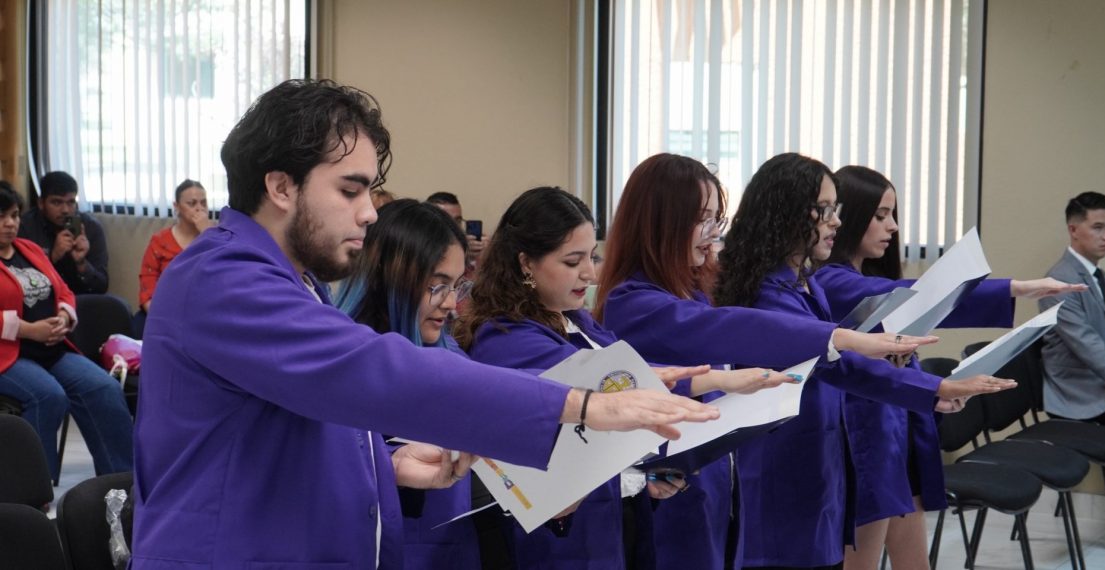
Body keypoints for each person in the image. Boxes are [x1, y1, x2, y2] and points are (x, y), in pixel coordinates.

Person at [131, 79, 717, 568]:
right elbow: (370, 370)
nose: (367, 211)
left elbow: (284, 431)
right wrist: (583, 405)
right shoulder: (222, 278)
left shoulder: (289, 280)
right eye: (350, 189)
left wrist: (383, 467)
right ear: (281, 186)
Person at [594, 153, 938, 570]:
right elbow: (729, 328)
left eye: (716, 219)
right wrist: (840, 338)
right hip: (674, 499)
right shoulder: (634, 303)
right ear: (663, 224)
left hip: (715, 489)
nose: (712, 233)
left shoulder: (696, 289)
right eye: (703, 219)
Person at [456, 186, 793, 569]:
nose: (590, 272)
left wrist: (641, 477)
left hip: (612, 524)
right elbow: (601, 395)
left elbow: (627, 383)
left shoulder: (578, 321)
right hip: (561, 542)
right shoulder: (505, 338)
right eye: (572, 261)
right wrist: (710, 383)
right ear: (525, 263)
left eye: (592, 256)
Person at [714, 152, 1016, 570]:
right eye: (824, 210)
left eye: (835, 209)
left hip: (821, 458)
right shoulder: (773, 293)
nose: (834, 220)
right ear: (786, 213)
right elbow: (840, 363)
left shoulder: (801, 285)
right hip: (788, 466)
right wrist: (935, 388)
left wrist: (933, 390)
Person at [818, 165, 1082, 569]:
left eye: (893, 215)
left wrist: (939, 392)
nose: (892, 227)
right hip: (865, 439)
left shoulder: (862, 275)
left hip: (896, 429)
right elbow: (912, 298)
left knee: (914, 561)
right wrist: (1016, 287)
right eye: (880, 215)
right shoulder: (832, 280)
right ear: (851, 216)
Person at [335, 199, 480, 569]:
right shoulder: (346, 366)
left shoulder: (447, 350)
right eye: (437, 286)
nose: (451, 303)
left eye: (457, 286)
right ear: (393, 279)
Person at [0, 183, 133, 481]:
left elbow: (63, 290)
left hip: (51, 348)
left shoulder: (30, 249)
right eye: (1, 217)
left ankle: (122, 484)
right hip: (9, 355)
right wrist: (27, 330)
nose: (10, 223)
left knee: (104, 388)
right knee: (49, 396)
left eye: (14, 215)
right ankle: (35, 491)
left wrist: (64, 314)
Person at [1039, 191, 1105, 551]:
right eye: (1098, 227)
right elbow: (1090, 349)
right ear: (1073, 230)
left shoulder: (1100, 276)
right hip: (1081, 392)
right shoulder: (1059, 283)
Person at [135, 179, 212, 334]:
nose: (199, 209)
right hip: (163, 312)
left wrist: (208, 234)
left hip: (203, 314)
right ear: (176, 207)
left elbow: (223, 277)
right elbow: (147, 285)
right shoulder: (160, 241)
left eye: (203, 203)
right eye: (192, 203)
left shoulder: (214, 238)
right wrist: (163, 319)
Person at [19, 171, 109, 294]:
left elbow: (101, 287)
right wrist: (52, 258)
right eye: (57, 202)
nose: (65, 210)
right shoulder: (25, 227)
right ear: (41, 203)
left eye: (71, 202)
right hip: (42, 302)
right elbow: (21, 285)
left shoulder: (91, 227)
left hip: (80, 301)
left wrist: (82, 263)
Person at [427, 191, 486, 276]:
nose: (454, 227)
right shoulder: (419, 252)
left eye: (457, 221)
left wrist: (485, 259)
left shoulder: (470, 252)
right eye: (446, 221)